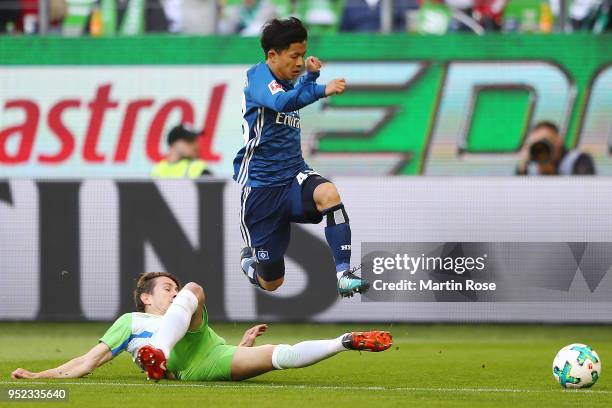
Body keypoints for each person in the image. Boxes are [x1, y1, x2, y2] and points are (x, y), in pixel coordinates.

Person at [10, 272, 392, 382]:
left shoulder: (182, 311)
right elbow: (86, 363)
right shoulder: (131, 322)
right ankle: (159, 354)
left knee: (282, 356)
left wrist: (239, 346)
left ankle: (344, 341)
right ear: (145, 298)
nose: (174, 295)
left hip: (210, 352)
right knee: (196, 288)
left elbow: (196, 318)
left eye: (174, 290)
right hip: (188, 369)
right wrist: (38, 376)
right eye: (166, 289)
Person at [233, 17, 370, 298]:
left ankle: (343, 274)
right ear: (272, 55)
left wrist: (309, 77)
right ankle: (250, 264)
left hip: (294, 175)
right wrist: (321, 90)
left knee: (329, 194)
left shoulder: (287, 82)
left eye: (303, 55)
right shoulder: (257, 77)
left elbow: (294, 94)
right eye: (294, 56)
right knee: (272, 281)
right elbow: (283, 102)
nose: (299, 61)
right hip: (261, 189)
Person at [516, 121, 596, 175]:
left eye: (545, 140)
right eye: (537, 143)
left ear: (558, 141)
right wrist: (522, 168)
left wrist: (550, 173)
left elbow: (584, 191)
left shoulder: (579, 159)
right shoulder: (530, 166)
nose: (541, 149)